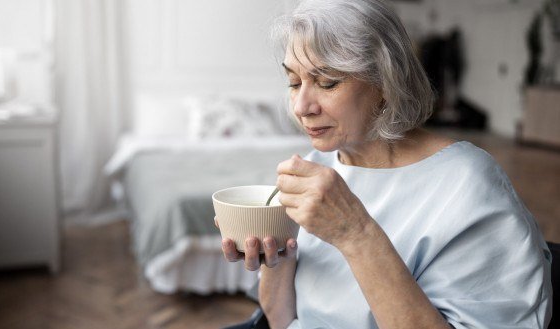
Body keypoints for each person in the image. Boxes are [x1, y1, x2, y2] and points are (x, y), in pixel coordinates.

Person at [219, 0, 552, 328]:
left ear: (384, 81)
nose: (302, 106)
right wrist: (277, 255)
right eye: (294, 83)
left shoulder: (466, 184)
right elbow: (280, 320)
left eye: (327, 82)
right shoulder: (315, 166)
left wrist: (356, 233)